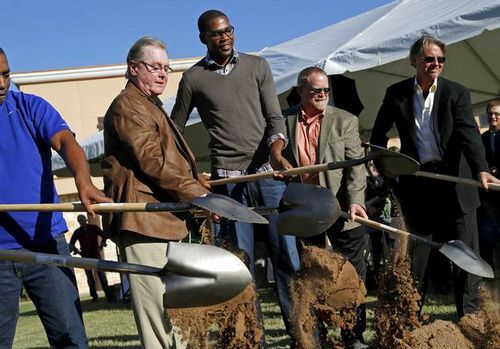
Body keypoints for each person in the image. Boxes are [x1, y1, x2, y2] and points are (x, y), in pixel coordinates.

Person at [171, 9, 300, 344]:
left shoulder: (258, 66)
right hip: (227, 181)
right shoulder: (193, 79)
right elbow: (175, 131)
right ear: (203, 38)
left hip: (266, 176)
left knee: (286, 256)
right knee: (240, 267)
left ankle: (301, 333)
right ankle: (251, 338)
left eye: (228, 30)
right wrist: (189, 173)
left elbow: (275, 117)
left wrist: (276, 153)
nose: (225, 37)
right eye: (216, 33)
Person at [370, 35, 500, 318]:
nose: (436, 64)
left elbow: (468, 134)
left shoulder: (457, 93)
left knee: (467, 257)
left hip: (456, 187)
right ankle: (409, 319)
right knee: (418, 258)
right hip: (419, 184)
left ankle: (469, 319)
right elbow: (378, 135)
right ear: (414, 60)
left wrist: (481, 168)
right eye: (429, 59)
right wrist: (385, 166)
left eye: (441, 59)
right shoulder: (397, 94)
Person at [102, 36, 212, 349]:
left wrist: (195, 180)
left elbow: (165, 161)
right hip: (143, 222)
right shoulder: (128, 105)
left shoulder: (151, 105)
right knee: (156, 320)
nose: (163, 74)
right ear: (133, 68)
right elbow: (152, 161)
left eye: (167, 68)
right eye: (155, 67)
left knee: (175, 316)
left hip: (164, 220)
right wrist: (196, 193)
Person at [0, 47, 112, 348]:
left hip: (46, 245)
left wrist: (84, 181)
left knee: (71, 340)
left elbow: (65, 140)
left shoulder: (29, 106)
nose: (1, 82)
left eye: (6, 73)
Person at [281, 67, 368, 349]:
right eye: (316, 91)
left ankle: (353, 335)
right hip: (307, 209)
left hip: (343, 208)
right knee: (313, 272)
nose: (322, 95)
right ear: (300, 91)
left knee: (352, 273)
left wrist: (356, 200)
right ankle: (316, 335)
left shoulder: (345, 121)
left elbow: (357, 168)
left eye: (326, 91)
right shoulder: (285, 121)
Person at [477, 100, 500, 273]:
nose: (493, 116)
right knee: (486, 236)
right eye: (490, 113)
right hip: (486, 197)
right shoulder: (481, 139)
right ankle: (487, 273)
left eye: (497, 114)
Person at [70, 214, 113, 302]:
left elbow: (103, 235)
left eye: (83, 220)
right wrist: (77, 251)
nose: (82, 222)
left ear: (86, 220)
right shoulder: (78, 232)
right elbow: (71, 243)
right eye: (80, 221)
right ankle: (94, 296)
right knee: (89, 277)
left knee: (102, 275)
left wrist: (101, 245)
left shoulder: (94, 228)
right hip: (85, 256)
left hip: (95, 254)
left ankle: (108, 295)